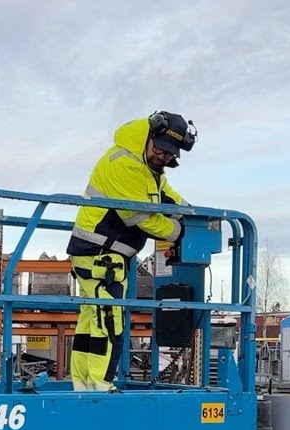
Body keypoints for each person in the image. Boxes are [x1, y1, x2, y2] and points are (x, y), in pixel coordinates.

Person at [66, 110, 197, 391]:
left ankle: (84, 383)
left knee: (92, 319)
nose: (163, 156)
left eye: (170, 153)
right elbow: (140, 218)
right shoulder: (125, 164)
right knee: (109, 318)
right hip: (99, 253)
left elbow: (167, 198)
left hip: (102, 254)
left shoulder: (148, 169)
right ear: (149, 135)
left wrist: (195, 216)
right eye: (160, 149)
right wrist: (181, 232)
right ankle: (100, 385)